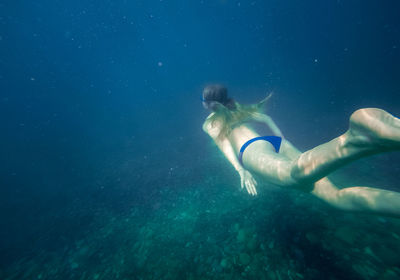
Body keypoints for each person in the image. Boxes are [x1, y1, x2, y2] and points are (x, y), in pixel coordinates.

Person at [202, 84, 400, 217]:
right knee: (334, 197)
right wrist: (281, 137)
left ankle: (357, 139)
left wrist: (240, 170)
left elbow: (225, 145)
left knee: (292, 176)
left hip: (251, 151)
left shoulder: (210, 122)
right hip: (273, 143)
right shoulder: (237, 108)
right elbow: (265, 118)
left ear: (206, 104)